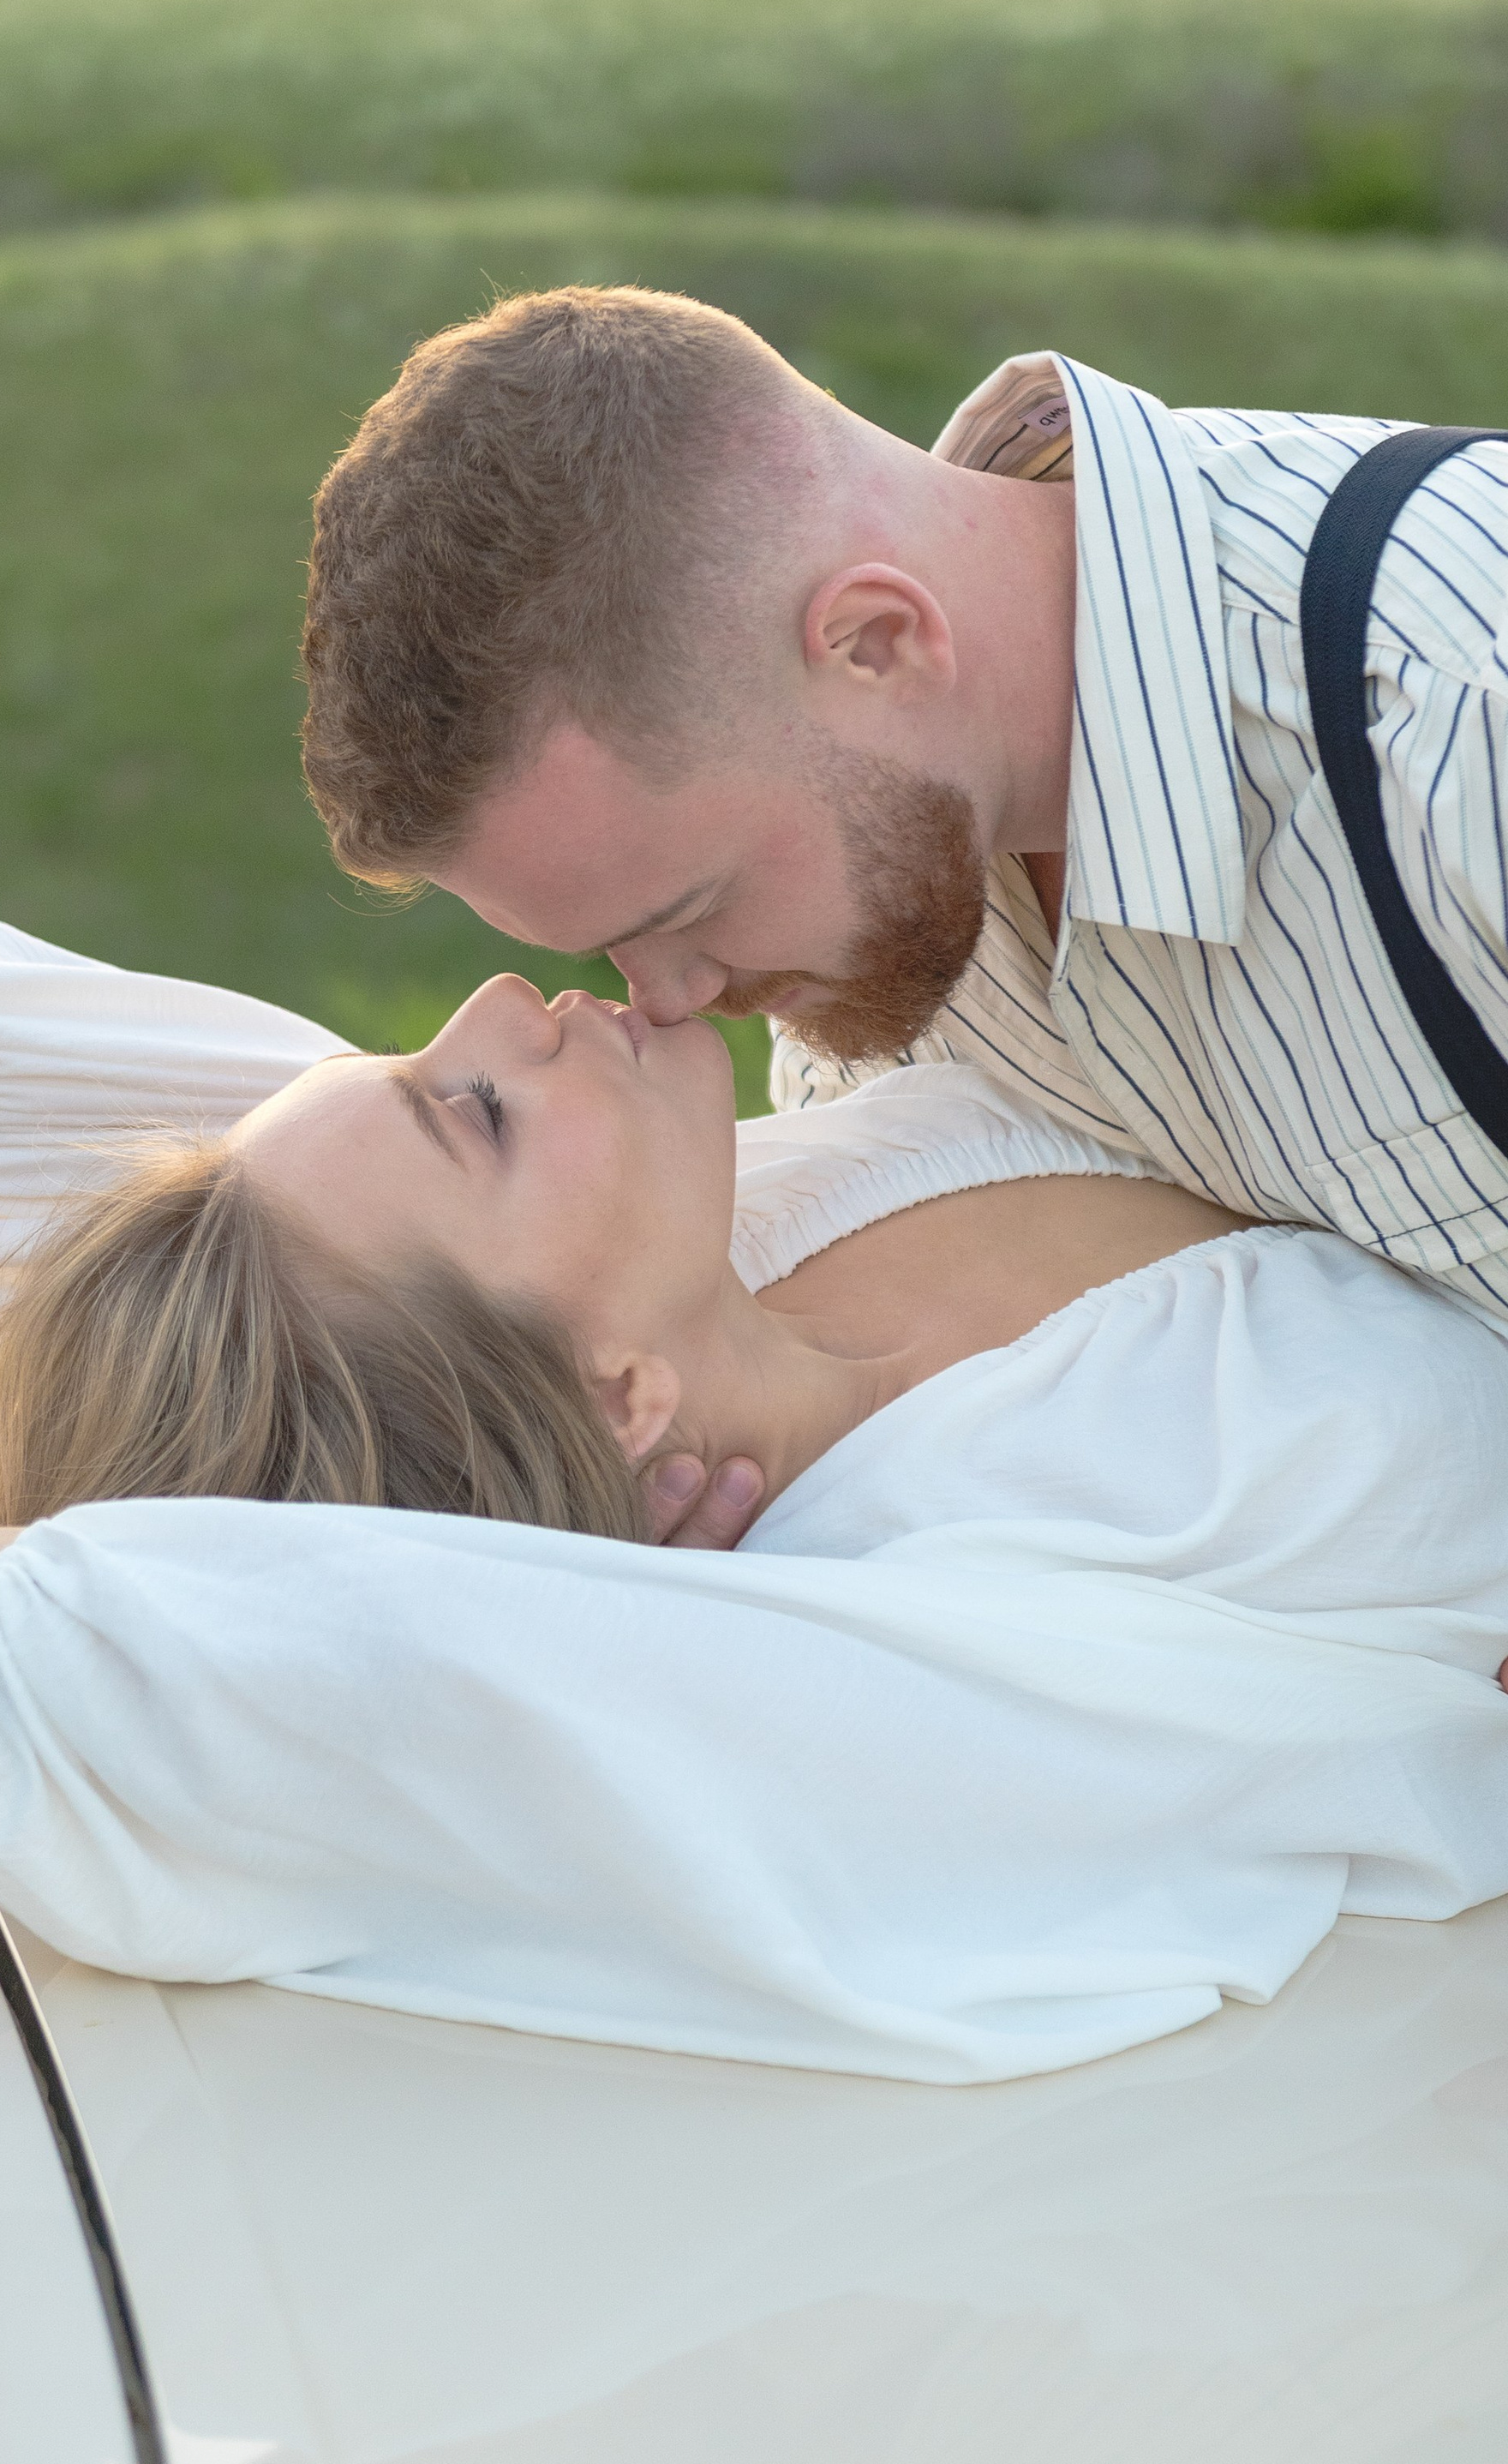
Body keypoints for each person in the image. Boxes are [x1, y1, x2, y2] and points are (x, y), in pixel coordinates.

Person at [0, 917, 1505, 2083]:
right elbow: (308, 1646)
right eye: (464, 1107)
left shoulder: (717, 1224)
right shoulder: (917, 1627)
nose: (491, 1001)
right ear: (604, 1399)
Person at [299, 287, 1508, 1535]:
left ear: (878, 642)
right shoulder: (879, 945)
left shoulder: (1464, 725)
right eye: (616, 944)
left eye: (691, 906)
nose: (663, 1003)